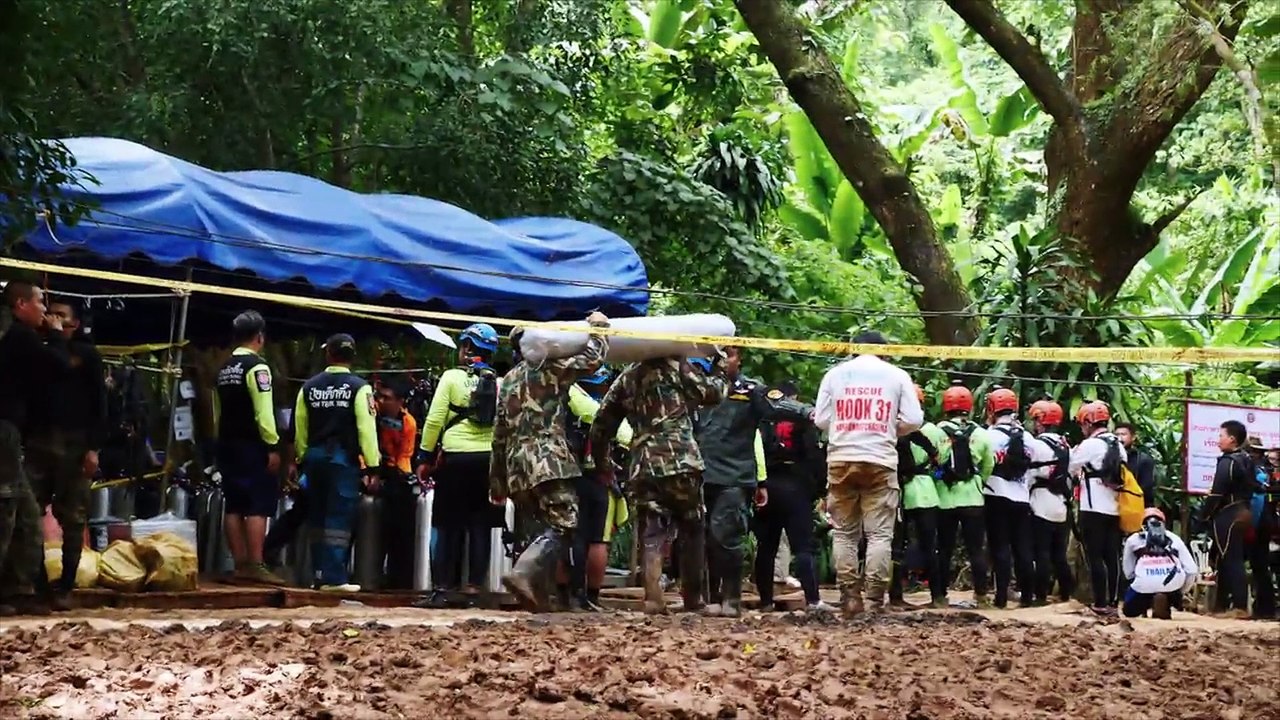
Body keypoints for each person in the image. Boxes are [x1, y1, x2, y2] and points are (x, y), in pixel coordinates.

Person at [590, 355, 729, 614]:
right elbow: (712, 393)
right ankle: (693, 600)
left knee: (652, 531)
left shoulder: (628, 377)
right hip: (681, 460)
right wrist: (722, 369)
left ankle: (653, 597)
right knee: (692, 527)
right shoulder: (678, 367)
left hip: (644, 464)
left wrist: (603, 463)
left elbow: (601, 425)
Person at [490, 313, 610, 611]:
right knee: (565, 523)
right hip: (548, 459)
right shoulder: (549, 368)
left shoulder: (507, 382)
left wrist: (497, 480)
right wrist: (599, 330)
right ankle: (523, 573)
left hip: (518, 467)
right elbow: (591, 361)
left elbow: (499, 433)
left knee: (542, 529)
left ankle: (543, 597)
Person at [813, 332, 923, 616]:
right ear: (884, 352)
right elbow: (913, 419)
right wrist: (887, 428)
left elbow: (822, 419)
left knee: (844, 535)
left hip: (841, 460)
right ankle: (874, 601)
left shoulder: (835, 375)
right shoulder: (897, 375)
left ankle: (850, 598)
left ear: (852, 351)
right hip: (880, 461)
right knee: (879, 536)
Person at [23, 298, 105, 610]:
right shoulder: (43, 352)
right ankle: (39, 584)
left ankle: (66, 585)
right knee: (30, 512)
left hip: (75, 443)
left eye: (61, 314)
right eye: (51, 312)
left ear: (73, 322)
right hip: (41, 441)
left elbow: (100, 404)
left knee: (72, 517)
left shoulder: (85, 354)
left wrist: (93, 448)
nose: (53, 318)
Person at [415, 323, 500, 606]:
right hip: (487, 461)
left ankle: (442, 589)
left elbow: (434, 419)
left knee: (446, 523)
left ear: (466, 349)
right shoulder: (501, 383)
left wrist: (425, 457)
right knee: (480, 525)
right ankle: (474, 590)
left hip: (455, 460)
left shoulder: (451, 378)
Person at [0, 281, 71, 616]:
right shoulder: (21, 337)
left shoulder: (22, 339)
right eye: (41, 303)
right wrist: (57, 335)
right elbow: (56, 367)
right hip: (5, 432)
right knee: (8, 510)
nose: (46, 311)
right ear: (20, 304)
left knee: (27, 513)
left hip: (14, 433)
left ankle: (19, 588)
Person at [293, 333, 381, 592]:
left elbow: (300, 428)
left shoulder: (308, 387)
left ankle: (318, 573)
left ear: (328, 354)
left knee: (317, 515)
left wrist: (301, 459)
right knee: (338, 518)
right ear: (351, 356)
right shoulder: (359, 387)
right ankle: (334, 577)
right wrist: (373, 466)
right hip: (342, 460)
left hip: (314, 458)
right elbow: (367, 429)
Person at [693, 346, 771, 618]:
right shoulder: (699, 385)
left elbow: (775, 410)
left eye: (731, 354)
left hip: (735, 475)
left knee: (726, 534)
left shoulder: (751, 390)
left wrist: (761, 480)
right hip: (700, 472)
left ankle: (732, 598)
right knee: (703, 538)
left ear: (740, 359)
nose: (725, 359)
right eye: (720, 353)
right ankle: (711, 597)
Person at [213, 311, 284, 585]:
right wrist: (272, 445)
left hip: (227, 443)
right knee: (257, 504)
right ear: (260, 337)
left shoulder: (224, 368)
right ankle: (256, 563)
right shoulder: (258, 368)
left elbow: (218, 411)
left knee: (233, 505)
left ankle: (240, 564)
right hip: (252, 446)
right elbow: (263, 413)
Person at [562, 366, 633, 611]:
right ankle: (590, 596)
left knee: (573, 535)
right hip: (599, 477)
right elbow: (626, 436)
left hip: (571, 474)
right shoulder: (599, 406)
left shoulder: (568, 396)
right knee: (598, 539)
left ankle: (571, 594)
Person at [755, 383, 830, 612]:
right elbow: (814, 457)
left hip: (767, 484)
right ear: (793, 398)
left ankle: (766, 601)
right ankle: (813, 600)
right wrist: (818, 490)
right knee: (804, 547)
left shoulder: (762, 418)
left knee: (766, 547)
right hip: (796, 486)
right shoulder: (803, 420)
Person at [981, 388, 1044, 609]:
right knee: (1023, 549)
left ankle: (1000, 597)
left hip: (995, 494)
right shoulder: (1027, 437)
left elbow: (981, 462)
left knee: (1000, 547)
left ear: (991, 409)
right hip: (1022, 498)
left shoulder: (988, 436)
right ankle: (1027, 595)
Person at [933, 383, 994, 609]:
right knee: (976, 549)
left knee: (944, 548)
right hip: (973, 499)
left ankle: (939, 596)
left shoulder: (935, 431)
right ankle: (980, 596)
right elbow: (989, 464)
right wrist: (979, 482)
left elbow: (926, 460)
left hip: (944, 498)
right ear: (968, 407)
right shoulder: (980, 433)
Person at [889, 385, 945, 609]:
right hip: (927, 492)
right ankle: (938, 597)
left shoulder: (889, 427)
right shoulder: (932, 431)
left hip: (899, 491)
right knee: (930, 545)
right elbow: (941, 459)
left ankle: (896, 595)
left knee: (897, 545)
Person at [1068, 401, 1125, 615]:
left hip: (1092, 508)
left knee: (1095, 557)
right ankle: (1112, 603)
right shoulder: (1117, 444)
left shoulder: (1090, 445)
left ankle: (1100, 602)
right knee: (1112, 556)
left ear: (1089, 423)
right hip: (1114, 507)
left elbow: (1072, 466)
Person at [1202, 420, 1255, 618]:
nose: (1218, 440)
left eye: (1221, 436)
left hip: (1229, 514)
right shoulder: (1246, 459)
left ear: (1231, 439)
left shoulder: (1229, 462)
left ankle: (1240, 607)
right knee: (1226, 559)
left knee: (1231, 559)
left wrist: (1204, 516)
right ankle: (1220, 606)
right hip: (1243, 511)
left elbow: (1216, 494)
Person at [1027, 400, 1074, 605]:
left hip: (1041, 503)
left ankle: (1040, 595)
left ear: (1040, 421)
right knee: (1059, 554)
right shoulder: (1066, 446)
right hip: (1061, 504)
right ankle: (1065, 593)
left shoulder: (1036, 445)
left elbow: (1029, 473)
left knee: (1042, 553)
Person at [375, 379, 419, 590]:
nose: (382, 401)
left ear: (400, 401)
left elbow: (405, 454)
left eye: (388, 398)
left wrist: (403, 476)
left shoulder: (408, 421)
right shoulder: (372, 415)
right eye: (380, 397)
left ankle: (399, 579)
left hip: (396, 471)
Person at [1121, 508, 1198, 619]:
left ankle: (1147, 604)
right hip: (1172, 584)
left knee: (1129, 611)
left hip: (1144, 585)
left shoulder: (1133, 540)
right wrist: (1182, 591)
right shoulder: (1174, 538)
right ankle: (1166, 600)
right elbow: (1192, 570)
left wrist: (1143, 577)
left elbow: (1128, 572)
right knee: (1171, 590)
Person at [1114, 423, 1156, 509]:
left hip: (1135, 505)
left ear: (1133, 437)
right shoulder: (1111, 458)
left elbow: (1146, 488)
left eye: (1123, 434)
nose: (1119, 438)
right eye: (1117, 435)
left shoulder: (1142, 459)